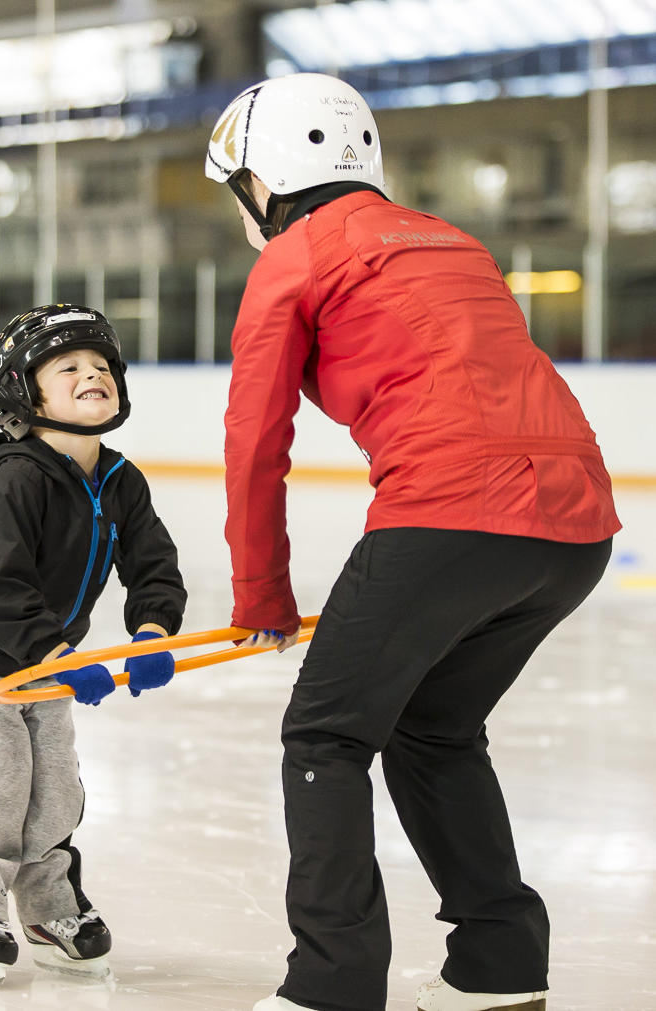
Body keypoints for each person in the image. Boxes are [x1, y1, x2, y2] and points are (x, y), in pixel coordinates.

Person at [204, 74, 620, 1011]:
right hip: (574, 523)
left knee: (324, 732)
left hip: (449, 509)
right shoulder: (450, 239)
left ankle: (331, 984)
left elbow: (253, 441)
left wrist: (259, 592)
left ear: (261, 181)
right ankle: (497, 967)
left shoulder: (296, 256)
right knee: (432, 729)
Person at [0, 304, 186, 987]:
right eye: (68, 368)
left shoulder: (119, 478)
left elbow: (153, 565)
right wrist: (56, 652)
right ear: (23, 394)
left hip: (48, 656)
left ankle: (48, 907)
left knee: (56, 785)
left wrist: (152, 630)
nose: (92, 374)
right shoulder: (15, 477)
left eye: (101, 367)